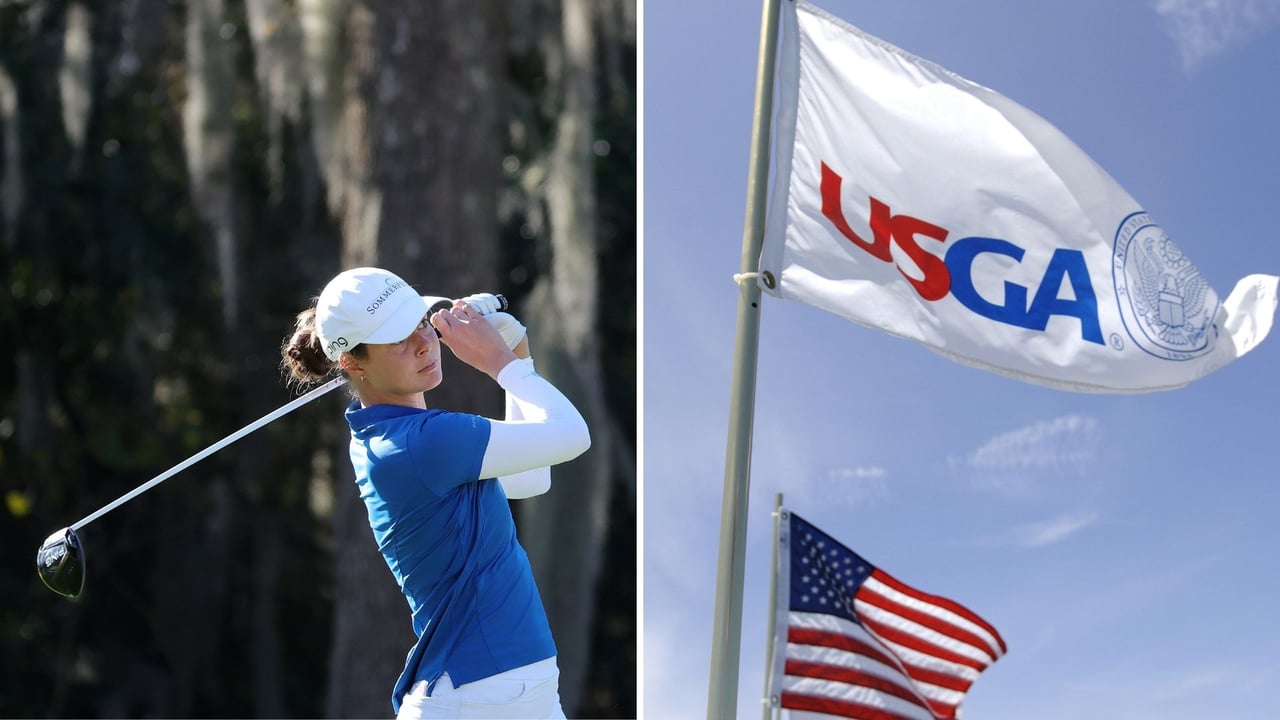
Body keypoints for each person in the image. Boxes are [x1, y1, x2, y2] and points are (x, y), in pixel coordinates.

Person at [280, 266, 590, 719]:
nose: (424, 343)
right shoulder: (423, 442)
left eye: (421, 323)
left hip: (499, 690)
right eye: (398, 339)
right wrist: (503, 365)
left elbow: (531, 477)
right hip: (482, 693)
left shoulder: (397, 436)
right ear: (351, 362)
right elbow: (572, 435)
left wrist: (517, 356)